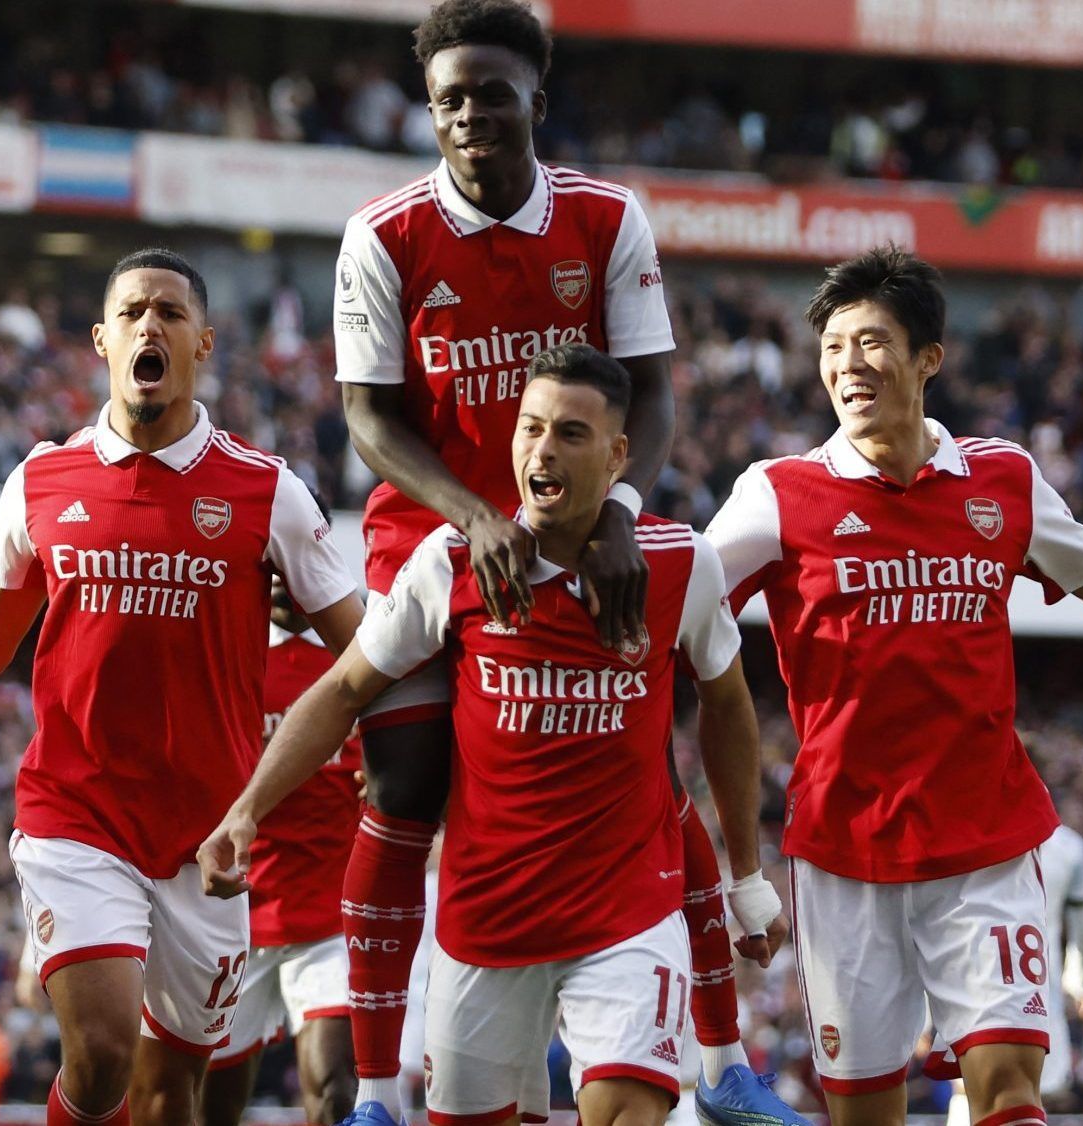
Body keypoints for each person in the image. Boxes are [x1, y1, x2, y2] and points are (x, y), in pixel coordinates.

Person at [706, 246, 1083, 1126]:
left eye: (872, 342)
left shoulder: (1004, 480)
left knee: (1008, 1096)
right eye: (833, 346)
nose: (848, 365)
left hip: (984, 843)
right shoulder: (777, 494)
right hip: (843, 851)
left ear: (929, 358)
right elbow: (680, 599)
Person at [330, 6, 784, 1123]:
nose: (472, 114)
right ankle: (380, 1091)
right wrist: (468, 515)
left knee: (636, 773)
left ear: (536, 97)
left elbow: (656, 392)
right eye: (450, 97)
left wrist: (624, 506)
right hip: (436, 540)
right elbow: (369, 420)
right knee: (404, 783)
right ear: (428, 110)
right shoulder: (381, 235)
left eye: (493, 91)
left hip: (588, 530)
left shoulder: (606, 217)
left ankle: (723, 1066)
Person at [0, 250, 364, 1126]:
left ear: (205, 343)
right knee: (103, 1055)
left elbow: (363, 650)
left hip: (208, 840)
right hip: (77, 817)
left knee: (165, 1092)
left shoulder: (270, 494)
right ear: (103, 340)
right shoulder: (41, 480)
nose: (152, 326)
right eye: (134, 312)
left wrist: (399, 746)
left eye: (172, 315)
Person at [201, 344, 789, 1126]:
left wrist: (747, 876)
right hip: (484, 927)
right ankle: (382, 1098)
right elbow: (343, 689)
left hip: (626, 920)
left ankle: (718, 1066)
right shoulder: (448, 565)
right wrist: (246, 810)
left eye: (570, 434)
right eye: (530, 429)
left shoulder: (680, 564)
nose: (542, 450)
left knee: (625, 1107)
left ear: (619, 456)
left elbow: (729, 703)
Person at [202, 578, 361, 1126]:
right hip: (233, 916)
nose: (273, 580)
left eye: (284, 564)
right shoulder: (222, 657)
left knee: (334, 1086)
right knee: (211, 1109)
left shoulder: (363, 658)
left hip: (329, 918)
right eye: (264, 565)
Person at [947, 825, 1083, 1122]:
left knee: (969, 1091)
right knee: (1034, 1096)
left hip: (974, 992)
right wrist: (1080, 983)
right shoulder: (1069, 847)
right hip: (1039, 996)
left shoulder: (966, 832)